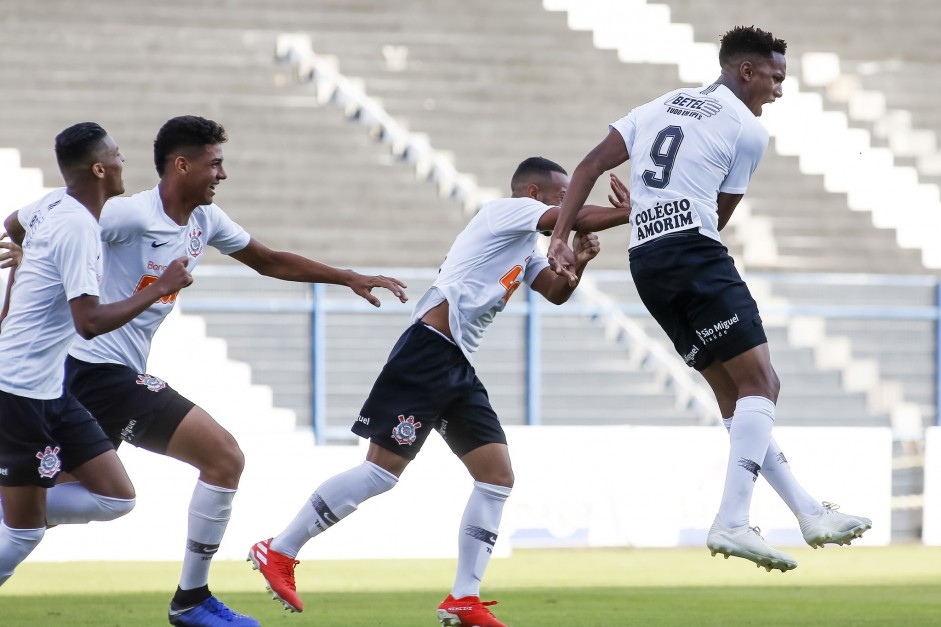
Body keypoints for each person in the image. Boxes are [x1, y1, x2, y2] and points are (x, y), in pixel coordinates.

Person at [3, 115, 409, 627]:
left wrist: (346, 276)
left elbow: (268, 260)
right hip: (92, 369)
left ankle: (15, 505)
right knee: (222, 457)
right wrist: (22, 256)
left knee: (65, 503)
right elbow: (38, 221)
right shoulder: (125, 215)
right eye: (215, 163)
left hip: (104, 375)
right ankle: (191, 601)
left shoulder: (204, 223)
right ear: (182, 164)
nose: (223, 174)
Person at [247, 156, 631, 627]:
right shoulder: (503, 212)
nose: (567, 205)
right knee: (380, 474)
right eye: (561, 197)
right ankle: (279, 549)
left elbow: (555, 290)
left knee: (496, 477)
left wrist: (582, 264)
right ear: (532, 195)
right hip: (429, 350)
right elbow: (578, 217)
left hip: (456, 364)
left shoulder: (527, 247)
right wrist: (630, 212)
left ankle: (463, 598)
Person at [547, 26, 872, 573]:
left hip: (647, 264)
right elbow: (717, 219)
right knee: (763, 384)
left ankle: (808, 511)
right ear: (746, 71)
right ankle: (733, 519)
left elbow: (586, 167)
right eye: (774, 77)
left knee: (736, 397)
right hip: (695, 254)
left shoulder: (658, 105)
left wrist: (558, 234)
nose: (778, 90)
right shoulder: (747, 129)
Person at [0, 122, 192, 586]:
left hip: (50, 387)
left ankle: (13, 499)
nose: (126, 162)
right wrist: (161, 287)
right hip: (18, 388)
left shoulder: (51, 203)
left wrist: (23, 268)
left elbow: (12, 225)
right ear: (101, 169)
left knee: (116, 498)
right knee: (24, 536)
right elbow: (89, 324)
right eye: (119, 155)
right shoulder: (80, 228)